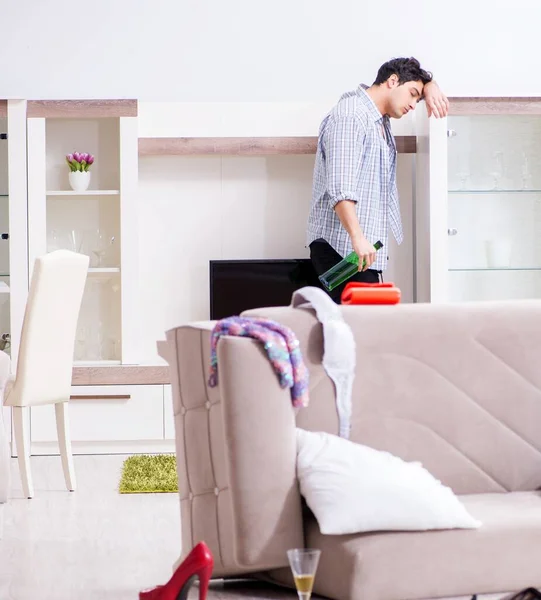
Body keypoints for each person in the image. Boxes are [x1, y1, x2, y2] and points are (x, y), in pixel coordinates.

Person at [307, 57, 449, 302]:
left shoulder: (378, 121)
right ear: (393, 81)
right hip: (342, 249)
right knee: (359, 330)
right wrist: (358, 238)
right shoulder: (352, 114)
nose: (413, 106)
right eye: (412, 94)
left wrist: (430, 84)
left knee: (366, 330)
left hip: (359, 252)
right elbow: (340, 186)